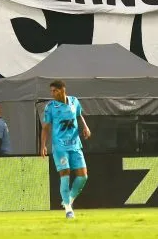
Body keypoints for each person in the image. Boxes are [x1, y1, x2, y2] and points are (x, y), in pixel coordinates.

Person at [41, 79, 89, 219]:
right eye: (51, 91)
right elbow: (45, 128)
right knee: (65, 173)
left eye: (54, 90)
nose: (52, 93)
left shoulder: (74, 101)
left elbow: (79, 115)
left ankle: (69, 199)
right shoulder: (50, 107)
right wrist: (43, 145)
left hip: (75, 144)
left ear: (62, 90)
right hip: (60, 146)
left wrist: (85, 127)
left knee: (83, 176)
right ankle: (68, 209)